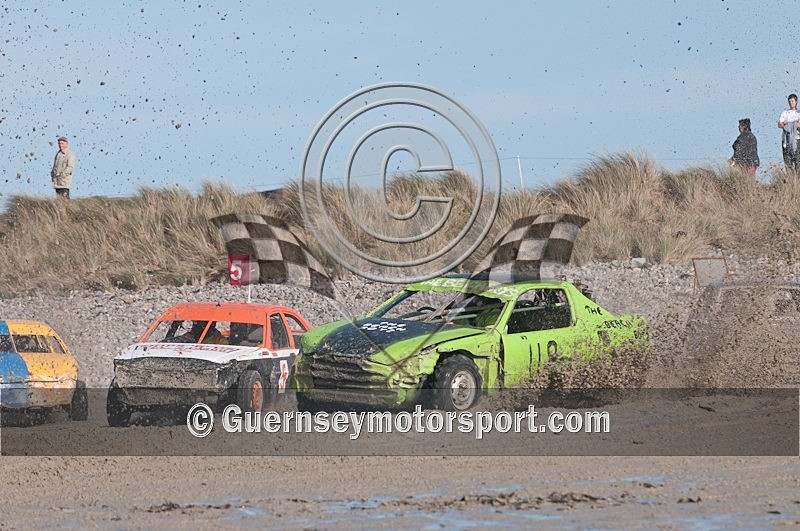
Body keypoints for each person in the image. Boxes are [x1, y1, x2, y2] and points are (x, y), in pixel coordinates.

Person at [778, 93, 800, 170]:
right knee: (787, 161)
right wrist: (786, 124)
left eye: (792, 101)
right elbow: (780, 124)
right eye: (789, 101)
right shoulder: (785, 113)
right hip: (786, 139)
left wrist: (789, 124)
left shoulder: (798, 113)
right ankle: (789, 177)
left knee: (797, 161)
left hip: (797, 139)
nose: (791, 103)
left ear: (796, 102)